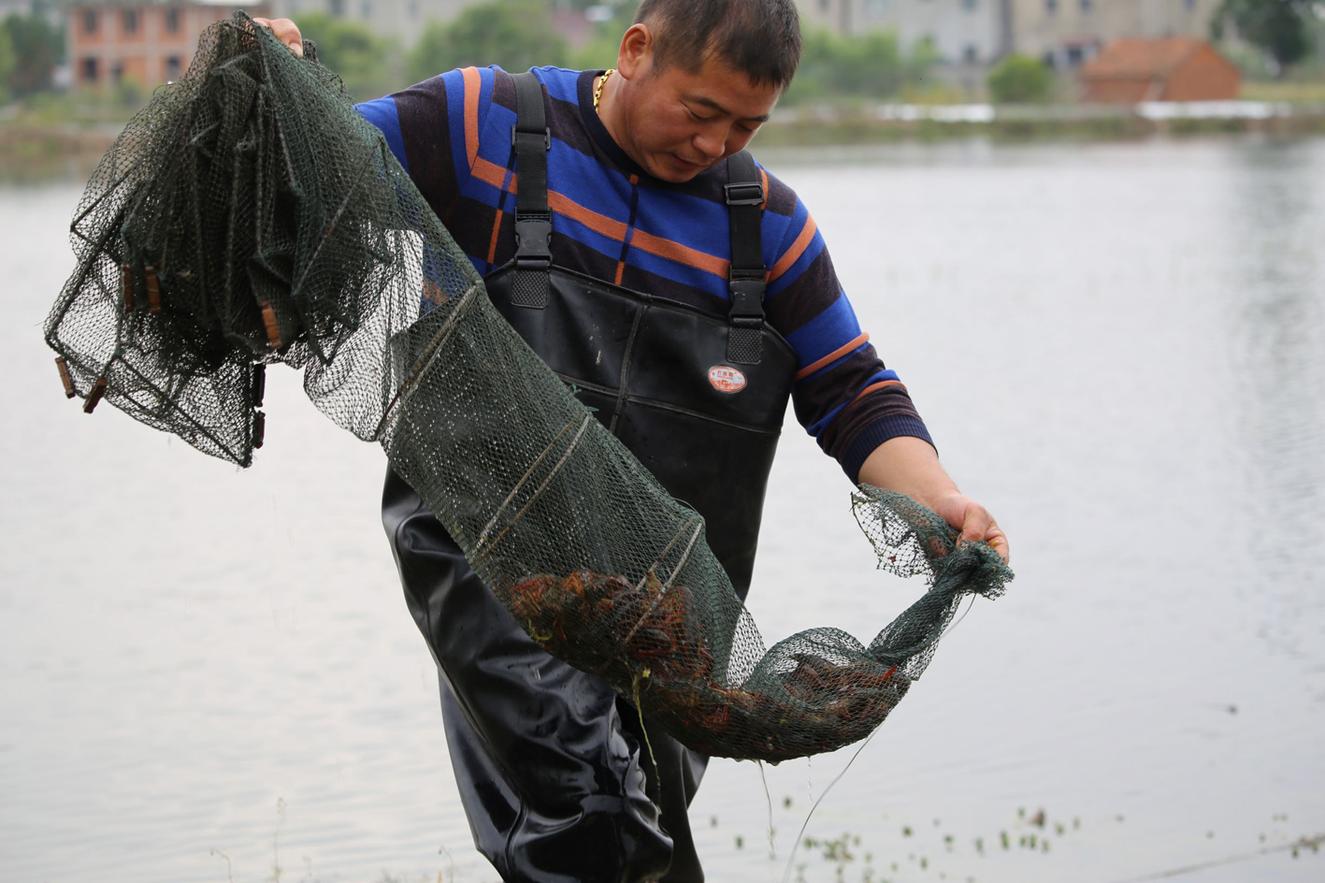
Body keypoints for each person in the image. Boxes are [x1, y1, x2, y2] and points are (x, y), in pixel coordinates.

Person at [259, 3, 1008, 880]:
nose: (716, 144)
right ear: (636, 50)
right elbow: (302, 159)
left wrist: (941, 498)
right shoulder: (481, 128)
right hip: (497, 569)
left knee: (635, 822)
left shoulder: (767, 230)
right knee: (590, 811)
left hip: (674, 611)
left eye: (747, 125)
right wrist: (280, 73)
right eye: (699, 112)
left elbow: (852, 389)